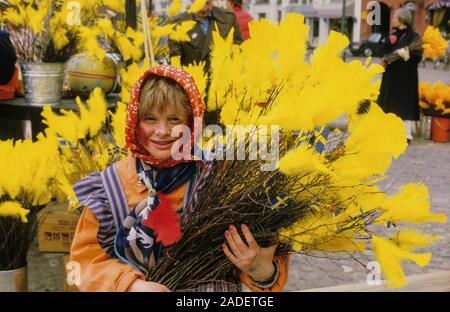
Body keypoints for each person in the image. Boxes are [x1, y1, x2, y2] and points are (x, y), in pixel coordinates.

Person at [70, 65, 289, 292]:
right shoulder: (110, 187)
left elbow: (266, 269)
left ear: (191, 123)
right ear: (135, 122)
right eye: (150, 119)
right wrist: (131, 286)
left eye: (174, 119)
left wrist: (260, 270)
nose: (162, 131)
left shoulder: (221, 177)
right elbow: (82, 263)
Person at [377, 8, 423, 143]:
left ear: (402, 20)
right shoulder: (393, 35)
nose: (392, 20)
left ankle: (406, 134)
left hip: (406, 76)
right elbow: (382, 52)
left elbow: (418, 57)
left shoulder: (414, 37)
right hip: (391, 76)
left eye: (395, 18)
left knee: (405, 104)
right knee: (389, 103)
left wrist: (407, 54)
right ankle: (388, 132)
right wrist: (388, 44)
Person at [168, 0, 243, 69]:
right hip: (192, 79)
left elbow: (237, 49)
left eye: (207, 3)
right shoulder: (177, 23)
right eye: (200, 3)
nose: (204, 9)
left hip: (222, 79)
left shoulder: (228, 18)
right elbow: (175, 58)